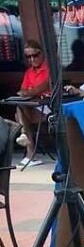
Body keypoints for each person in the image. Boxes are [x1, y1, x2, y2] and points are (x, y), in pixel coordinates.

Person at [14, 39, 51, 168]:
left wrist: (28, 92)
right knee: (20, 110)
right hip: (35, 107)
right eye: (28, 57)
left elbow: (40, 88)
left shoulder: (49, 69)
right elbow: (22, 90)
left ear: (41, 54)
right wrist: (27, 92)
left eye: (35, 55)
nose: (32, 59)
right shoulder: (29, 72)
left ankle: (30, 151)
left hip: (49, 107)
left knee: (20, 113)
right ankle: (29, 150)